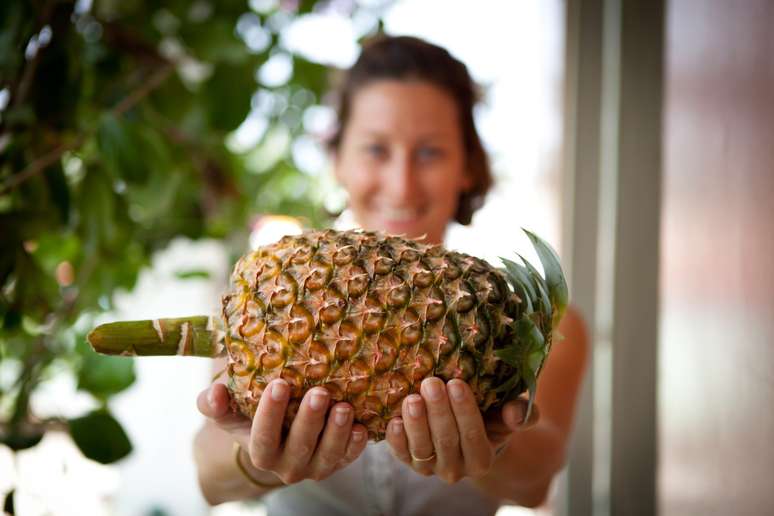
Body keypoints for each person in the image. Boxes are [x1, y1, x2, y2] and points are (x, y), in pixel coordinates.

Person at [193, 35, 588, 515]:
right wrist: (256, 462)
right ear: (338, 159)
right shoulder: (270, 296)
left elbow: (536, 480)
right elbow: (209, 475)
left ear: (468, 166)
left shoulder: (534, 323)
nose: (401, 184)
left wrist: (495, 451)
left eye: (430, 153)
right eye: (376, 149)